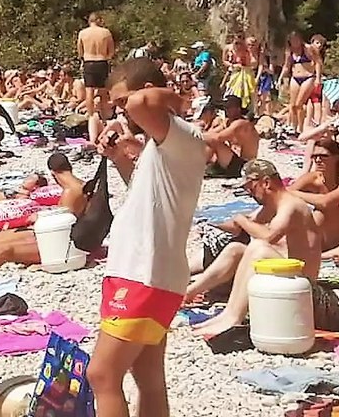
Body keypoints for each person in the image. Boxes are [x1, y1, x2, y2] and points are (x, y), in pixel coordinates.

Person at [87, 57, 206, 417]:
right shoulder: (163, 144)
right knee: (148, 375)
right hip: (148, 272)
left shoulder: (181, 134)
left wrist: (177, 96)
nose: (123, 112)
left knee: (102, 374)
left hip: (143, 274)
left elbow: (143, 102)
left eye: (123, 102)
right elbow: (147, 197)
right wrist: (120, 158)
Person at [194, 160, 337, 336]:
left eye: (251, 188)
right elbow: (244, 224)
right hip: (289, 274)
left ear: (266, 182)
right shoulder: (274, 205)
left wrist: (241, 220)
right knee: (235, 249)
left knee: (259, 249)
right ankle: (192, 293)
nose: (249, 193)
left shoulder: (291, 205)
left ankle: (233, 317)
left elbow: (269, 236)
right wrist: (211, 224)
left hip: (303, 284)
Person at [0, 152, 87, 273]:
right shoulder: (78, 186)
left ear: (53, 173)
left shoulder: (70, 192)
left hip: (61, 245)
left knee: (5, 250)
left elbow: (62, 228)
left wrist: (38, 218)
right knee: (0, 237)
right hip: (58, 237)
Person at [77, 13, 116, 119]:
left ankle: (91, 116)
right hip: (102, 61)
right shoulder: (106, 32)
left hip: (88, 62)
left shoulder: (82, 33)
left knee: (89, 91)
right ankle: (104, 117)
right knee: (103, 91)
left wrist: (84, 58)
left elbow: (80, 51)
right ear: (98, 20)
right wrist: (106, 57)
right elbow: (111, 51)